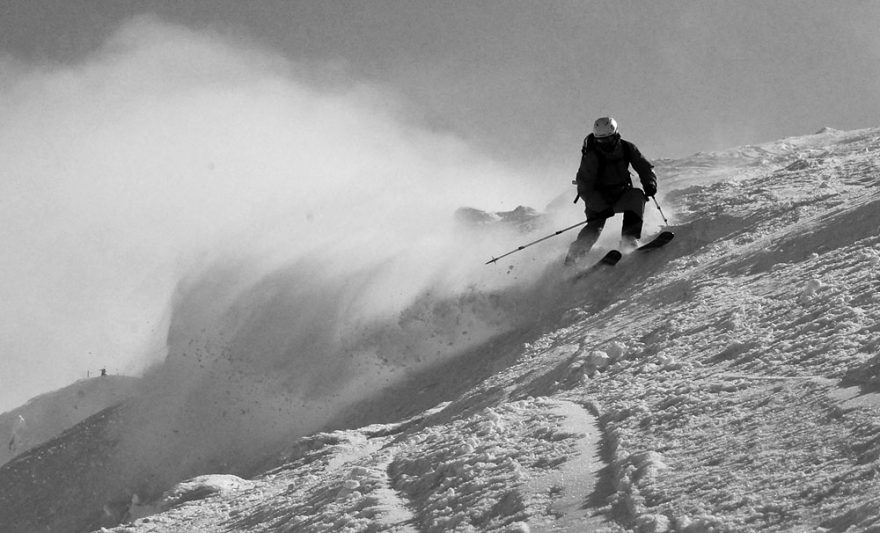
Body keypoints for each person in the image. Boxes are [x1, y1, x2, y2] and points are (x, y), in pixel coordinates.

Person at [564, 117, 657, 265]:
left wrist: (650, 183)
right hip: (598, 198)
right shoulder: (592, 156)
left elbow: (644, 167)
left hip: (621, 193)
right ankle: (573, 258)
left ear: (615, 135)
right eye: (600, 141)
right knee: (595, 226)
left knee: (636, 196)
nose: (604, 144)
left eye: (607, 140)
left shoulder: (627, 148)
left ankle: (629, 240)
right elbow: (584, 186)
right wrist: (600, 207)